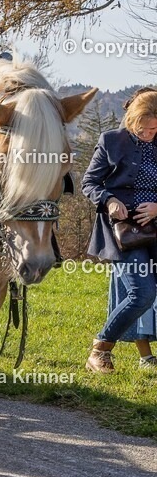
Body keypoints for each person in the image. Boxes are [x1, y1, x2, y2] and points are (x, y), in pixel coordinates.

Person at [82, 87, 157, 372]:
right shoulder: (111, 141)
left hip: (155, 229)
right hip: (125, 235)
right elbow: (89, 183)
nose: (149, 134)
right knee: (142, 294)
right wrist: (109, 200)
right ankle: (100, 349)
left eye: (154, 129)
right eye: (144, 129)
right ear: (131, 121)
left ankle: (144, 356)